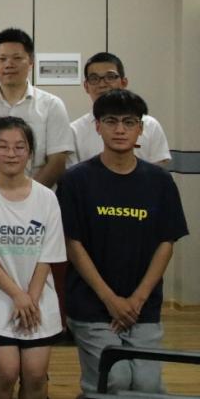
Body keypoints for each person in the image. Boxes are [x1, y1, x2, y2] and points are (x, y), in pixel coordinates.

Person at [57, 90, 188, 395]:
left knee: (146, 384)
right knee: (114, 379)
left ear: (141, 129)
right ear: (97, 126)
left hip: (143, 306)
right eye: (111, 121)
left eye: (129, 122)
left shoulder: (159, 181)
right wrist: (110, 300)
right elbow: (72, 243)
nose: (120, 130)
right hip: (92, 304)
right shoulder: (76, 180)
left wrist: (138, 299)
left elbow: (166, 242)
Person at [0, 117, 66, 399]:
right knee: (6, 372)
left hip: (38, 297)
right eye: (3, 146)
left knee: (35, 374)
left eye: (20, 147)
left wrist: (31, 297)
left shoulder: (46, 198)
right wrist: (17, 296)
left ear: (30, 152)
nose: (11, 153)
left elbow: (49, 254)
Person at [0, 28, 74, 190]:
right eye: (2, 59)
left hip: (39, 199)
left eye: (17, 58)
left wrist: (29, 197)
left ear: (31, 62)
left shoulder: (52, 105)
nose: (9, 64)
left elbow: (57, 161)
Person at [69, 52, 171, 167]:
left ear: (124, 82)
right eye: (94, 78)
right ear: (86, 86)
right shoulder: (74, 131)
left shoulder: (150, 125)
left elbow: (158, 168)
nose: (102, 84)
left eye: (110, 77)